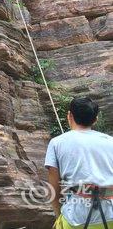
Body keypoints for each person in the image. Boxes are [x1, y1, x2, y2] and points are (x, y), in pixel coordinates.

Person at [45, 97, 113, 229]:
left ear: (69, 115)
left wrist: (58, 216)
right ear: (95, 119)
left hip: (76, 219)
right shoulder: (111, 141)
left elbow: (54, 189)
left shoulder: (56, 143)